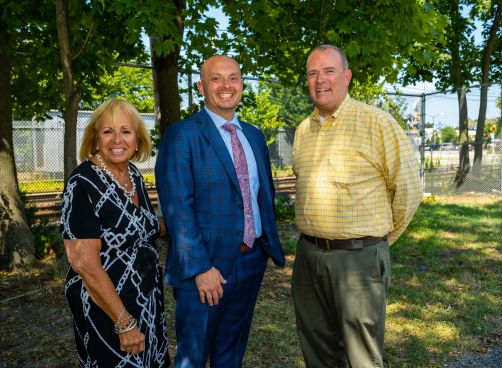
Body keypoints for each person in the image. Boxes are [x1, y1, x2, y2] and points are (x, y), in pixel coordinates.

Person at [291, 45, 423, 368]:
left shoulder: (377, 123)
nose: (320, 80)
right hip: (309, 257)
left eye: (329, 71)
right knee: (317, 351)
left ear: (347, 77)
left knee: (362, 358)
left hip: (358, 260)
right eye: (312, 73)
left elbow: (409, 190)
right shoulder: (302, 131)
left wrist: (378, 243)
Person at [155, 55, 285, 368]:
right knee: (193, 358)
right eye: (216, 79)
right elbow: (178, 210)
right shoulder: (181, 136)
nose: (226, 86)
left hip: (250, 262)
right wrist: (200, 268)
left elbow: (260, 195)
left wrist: (263, 248)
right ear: (202, 86)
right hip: (205, 270)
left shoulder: (253, 136)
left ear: (241, 84)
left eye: (233, 78)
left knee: (231, 355)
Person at [60, 98, 170, 367]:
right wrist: (124, 323)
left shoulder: (133, 175)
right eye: (107, 131)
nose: (116, 139)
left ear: (137, 140)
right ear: (96, 140)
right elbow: (84, 263)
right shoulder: (83, 183)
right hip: (108, 311)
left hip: (146, 304)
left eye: (125, 131)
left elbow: (143, 228)